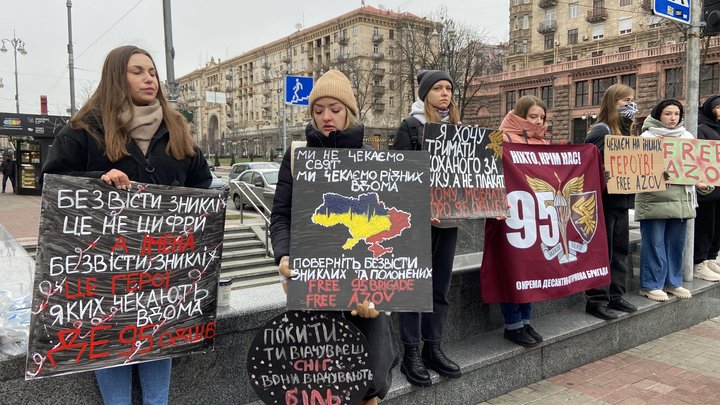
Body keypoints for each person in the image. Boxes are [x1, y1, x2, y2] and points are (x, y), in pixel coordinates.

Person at [42, 45, 212, 405]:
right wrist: (97, 178)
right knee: (110, 341)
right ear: (117, 76)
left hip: (163, 271)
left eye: (152, 71)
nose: (149, 78)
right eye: (138, 71)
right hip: (106, 273)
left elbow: (202, 184)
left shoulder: (176, 128)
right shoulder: (85, 129)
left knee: (158, 341)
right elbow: (53, 184)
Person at [270, 69, 399, 405]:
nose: (326, 116)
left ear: (350, 111)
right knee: (321, 374)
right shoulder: (297, 155)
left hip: (365, 285)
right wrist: (283, 255)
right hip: (315, 284)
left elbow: (393, 222)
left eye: (335, 108)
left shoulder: (375, 152)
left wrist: (382, 291)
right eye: (318, 109)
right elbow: (281, 216)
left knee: (370, 373)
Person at [392, 69, 462, 387]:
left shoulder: (459, 130)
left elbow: (472, 175)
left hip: (448, 220)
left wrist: (489, 202)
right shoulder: (411, 127)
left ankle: (434, 347)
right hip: (416, 222)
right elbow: (398, 174)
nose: (445, 93)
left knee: (440, 288)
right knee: (413, 288)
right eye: (438, 88)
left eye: (448, 88)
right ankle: (411, 353)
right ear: (425, 94)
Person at [486, 95, 550, 347]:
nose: (538, 121)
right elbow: (488, 173)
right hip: (507, 213)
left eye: (542, 117)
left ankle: (525, 321)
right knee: (511, 270)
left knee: (528, 268)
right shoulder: (499, 139)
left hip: (534, 215)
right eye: (532, 116)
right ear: (520, 115)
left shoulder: (542, 141)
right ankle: (512, 325)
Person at [636, 99, 713, 301]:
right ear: (658, 116)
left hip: (682, 201)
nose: (672, 118)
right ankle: (650, 284)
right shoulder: (647, 137)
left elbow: (700, 169)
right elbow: (637, 171)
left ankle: (672, 282)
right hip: (654, 200)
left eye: (676, 114)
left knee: (676, 245)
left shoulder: (687, 137)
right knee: (654, 244)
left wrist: (704, 184)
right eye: (667, 114)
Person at [584, 84, 639, 320]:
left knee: (620, 251)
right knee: (602, 253)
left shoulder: (626, 131)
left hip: (622, 202)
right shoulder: (600, 131)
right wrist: (602, 172)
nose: (630, 104)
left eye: (632, 100)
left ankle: (616, 295)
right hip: (605, 202)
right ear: (612, 102)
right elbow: (586, 166)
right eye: (625, 100)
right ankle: (596, 300)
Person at [693, 95, 720, 281]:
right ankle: (699, 262)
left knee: (718, 226)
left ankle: (711, 257)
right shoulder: (701, 128)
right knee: (706, 225)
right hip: (707, 189)